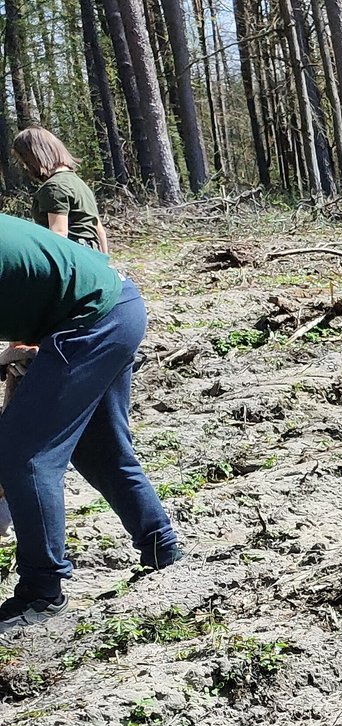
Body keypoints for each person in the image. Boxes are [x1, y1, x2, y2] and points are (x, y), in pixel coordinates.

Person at [0, 214, 181, 631]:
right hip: (117, 304)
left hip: (92, 317)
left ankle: (42, 591)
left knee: (24, 455)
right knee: (100, 449)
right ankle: (161, 546)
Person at [12, 128, 109, 253]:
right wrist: (103, 263)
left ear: (33, 157)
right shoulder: (77, 183)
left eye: (25, 161)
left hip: (73, 254)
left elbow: (58, 234)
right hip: (90, 253)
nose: (25, 167)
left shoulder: (54, 187)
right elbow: (99, 231)